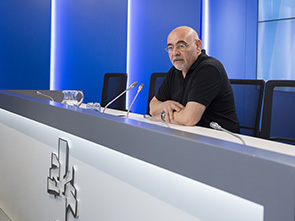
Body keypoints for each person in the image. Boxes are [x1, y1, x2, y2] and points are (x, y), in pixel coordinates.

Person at [149, 26, 240, 133]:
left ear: (197, 46)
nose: (175, 53)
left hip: (220, 141)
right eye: (170, 47)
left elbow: (189, 119)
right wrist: (164, 105)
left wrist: (163, 116)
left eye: (181, 46)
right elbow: (152, 107)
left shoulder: (209, 69)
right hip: (188, 135)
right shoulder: (175, 71)